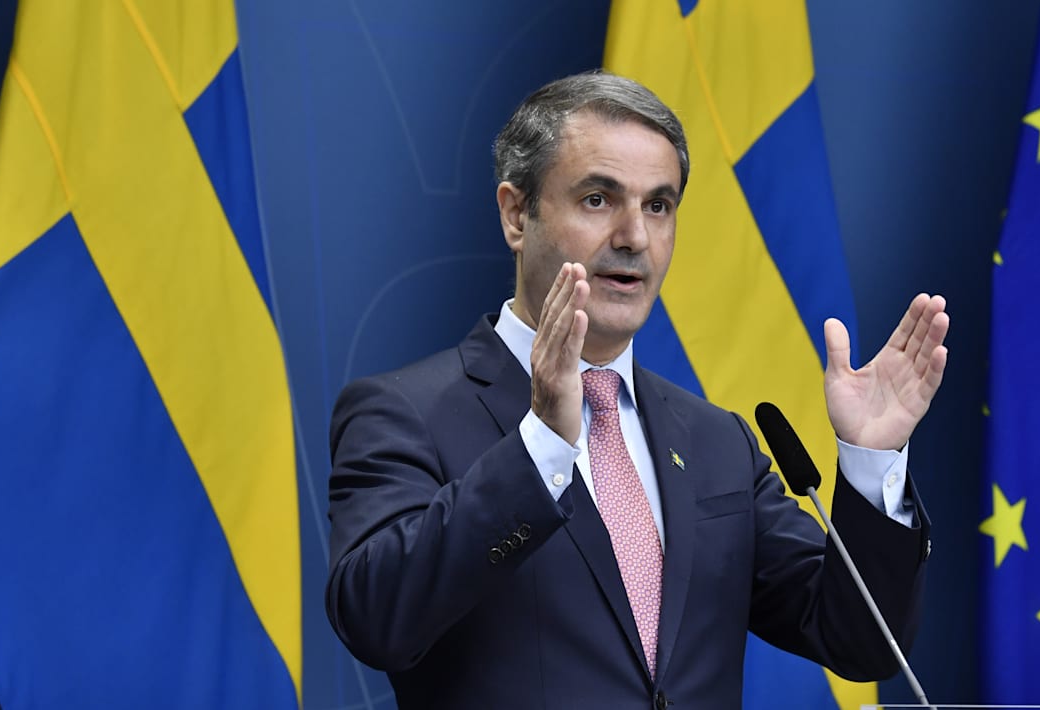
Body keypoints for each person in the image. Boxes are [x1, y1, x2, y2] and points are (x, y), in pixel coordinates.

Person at [325, 71, 949, 709]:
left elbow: (861, 642)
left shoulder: (716, 442)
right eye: (598, 199)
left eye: (658, 206)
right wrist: (540, 446)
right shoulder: (405, 413)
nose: (634, 237)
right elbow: (376, 619)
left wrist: (871, 461)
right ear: (516, 215)